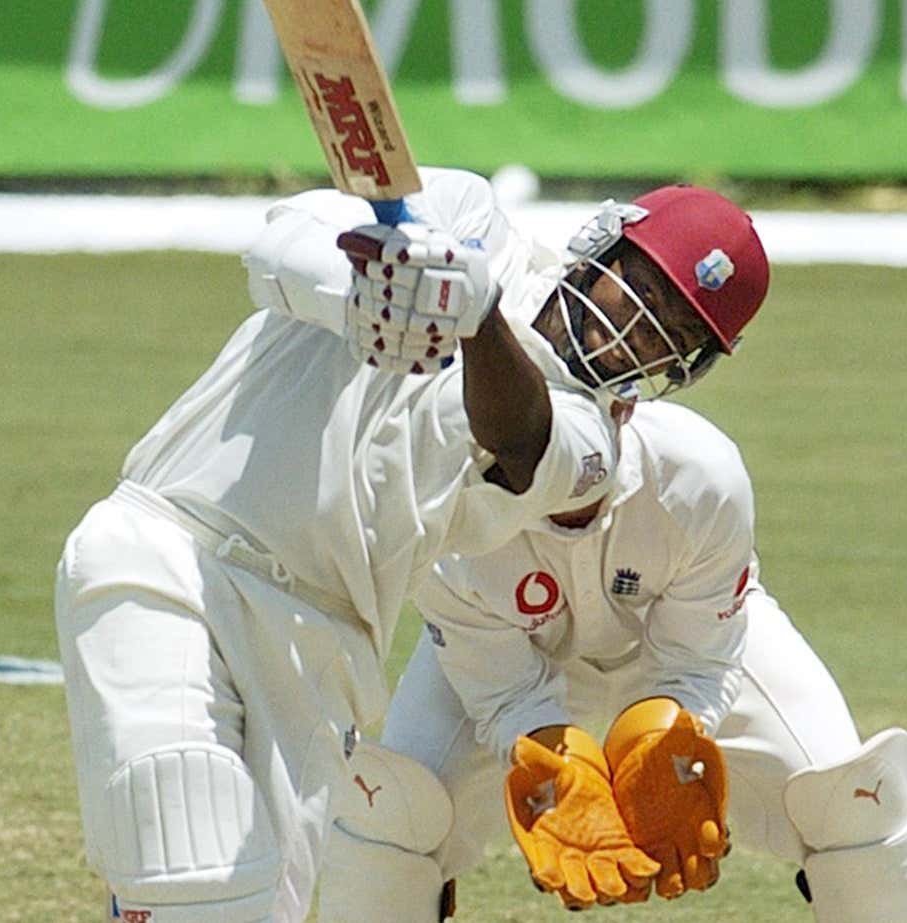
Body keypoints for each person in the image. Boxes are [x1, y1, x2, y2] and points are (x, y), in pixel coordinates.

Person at [53, 166, 770, 922]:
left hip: (322, 644)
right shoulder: (465, 215)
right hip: (177, 549)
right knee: (191, 866)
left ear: (682, 370)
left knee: (253, 908)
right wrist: (371, 292)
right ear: (602, 245)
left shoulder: (595, 441)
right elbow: (281, 244)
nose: (642, 330)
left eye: (676, 334)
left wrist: (476, 315)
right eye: (646, 291)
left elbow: (522, 440)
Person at [316, 399, 907, 922]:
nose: (572, 487)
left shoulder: (700, 471)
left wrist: (668, 735)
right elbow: (501, 688)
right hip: (512, 657)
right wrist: (547, 754)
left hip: (680, 648)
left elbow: (699, 655)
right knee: (390, 815)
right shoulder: (436, 499)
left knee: (853, 798)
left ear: (624, 405)